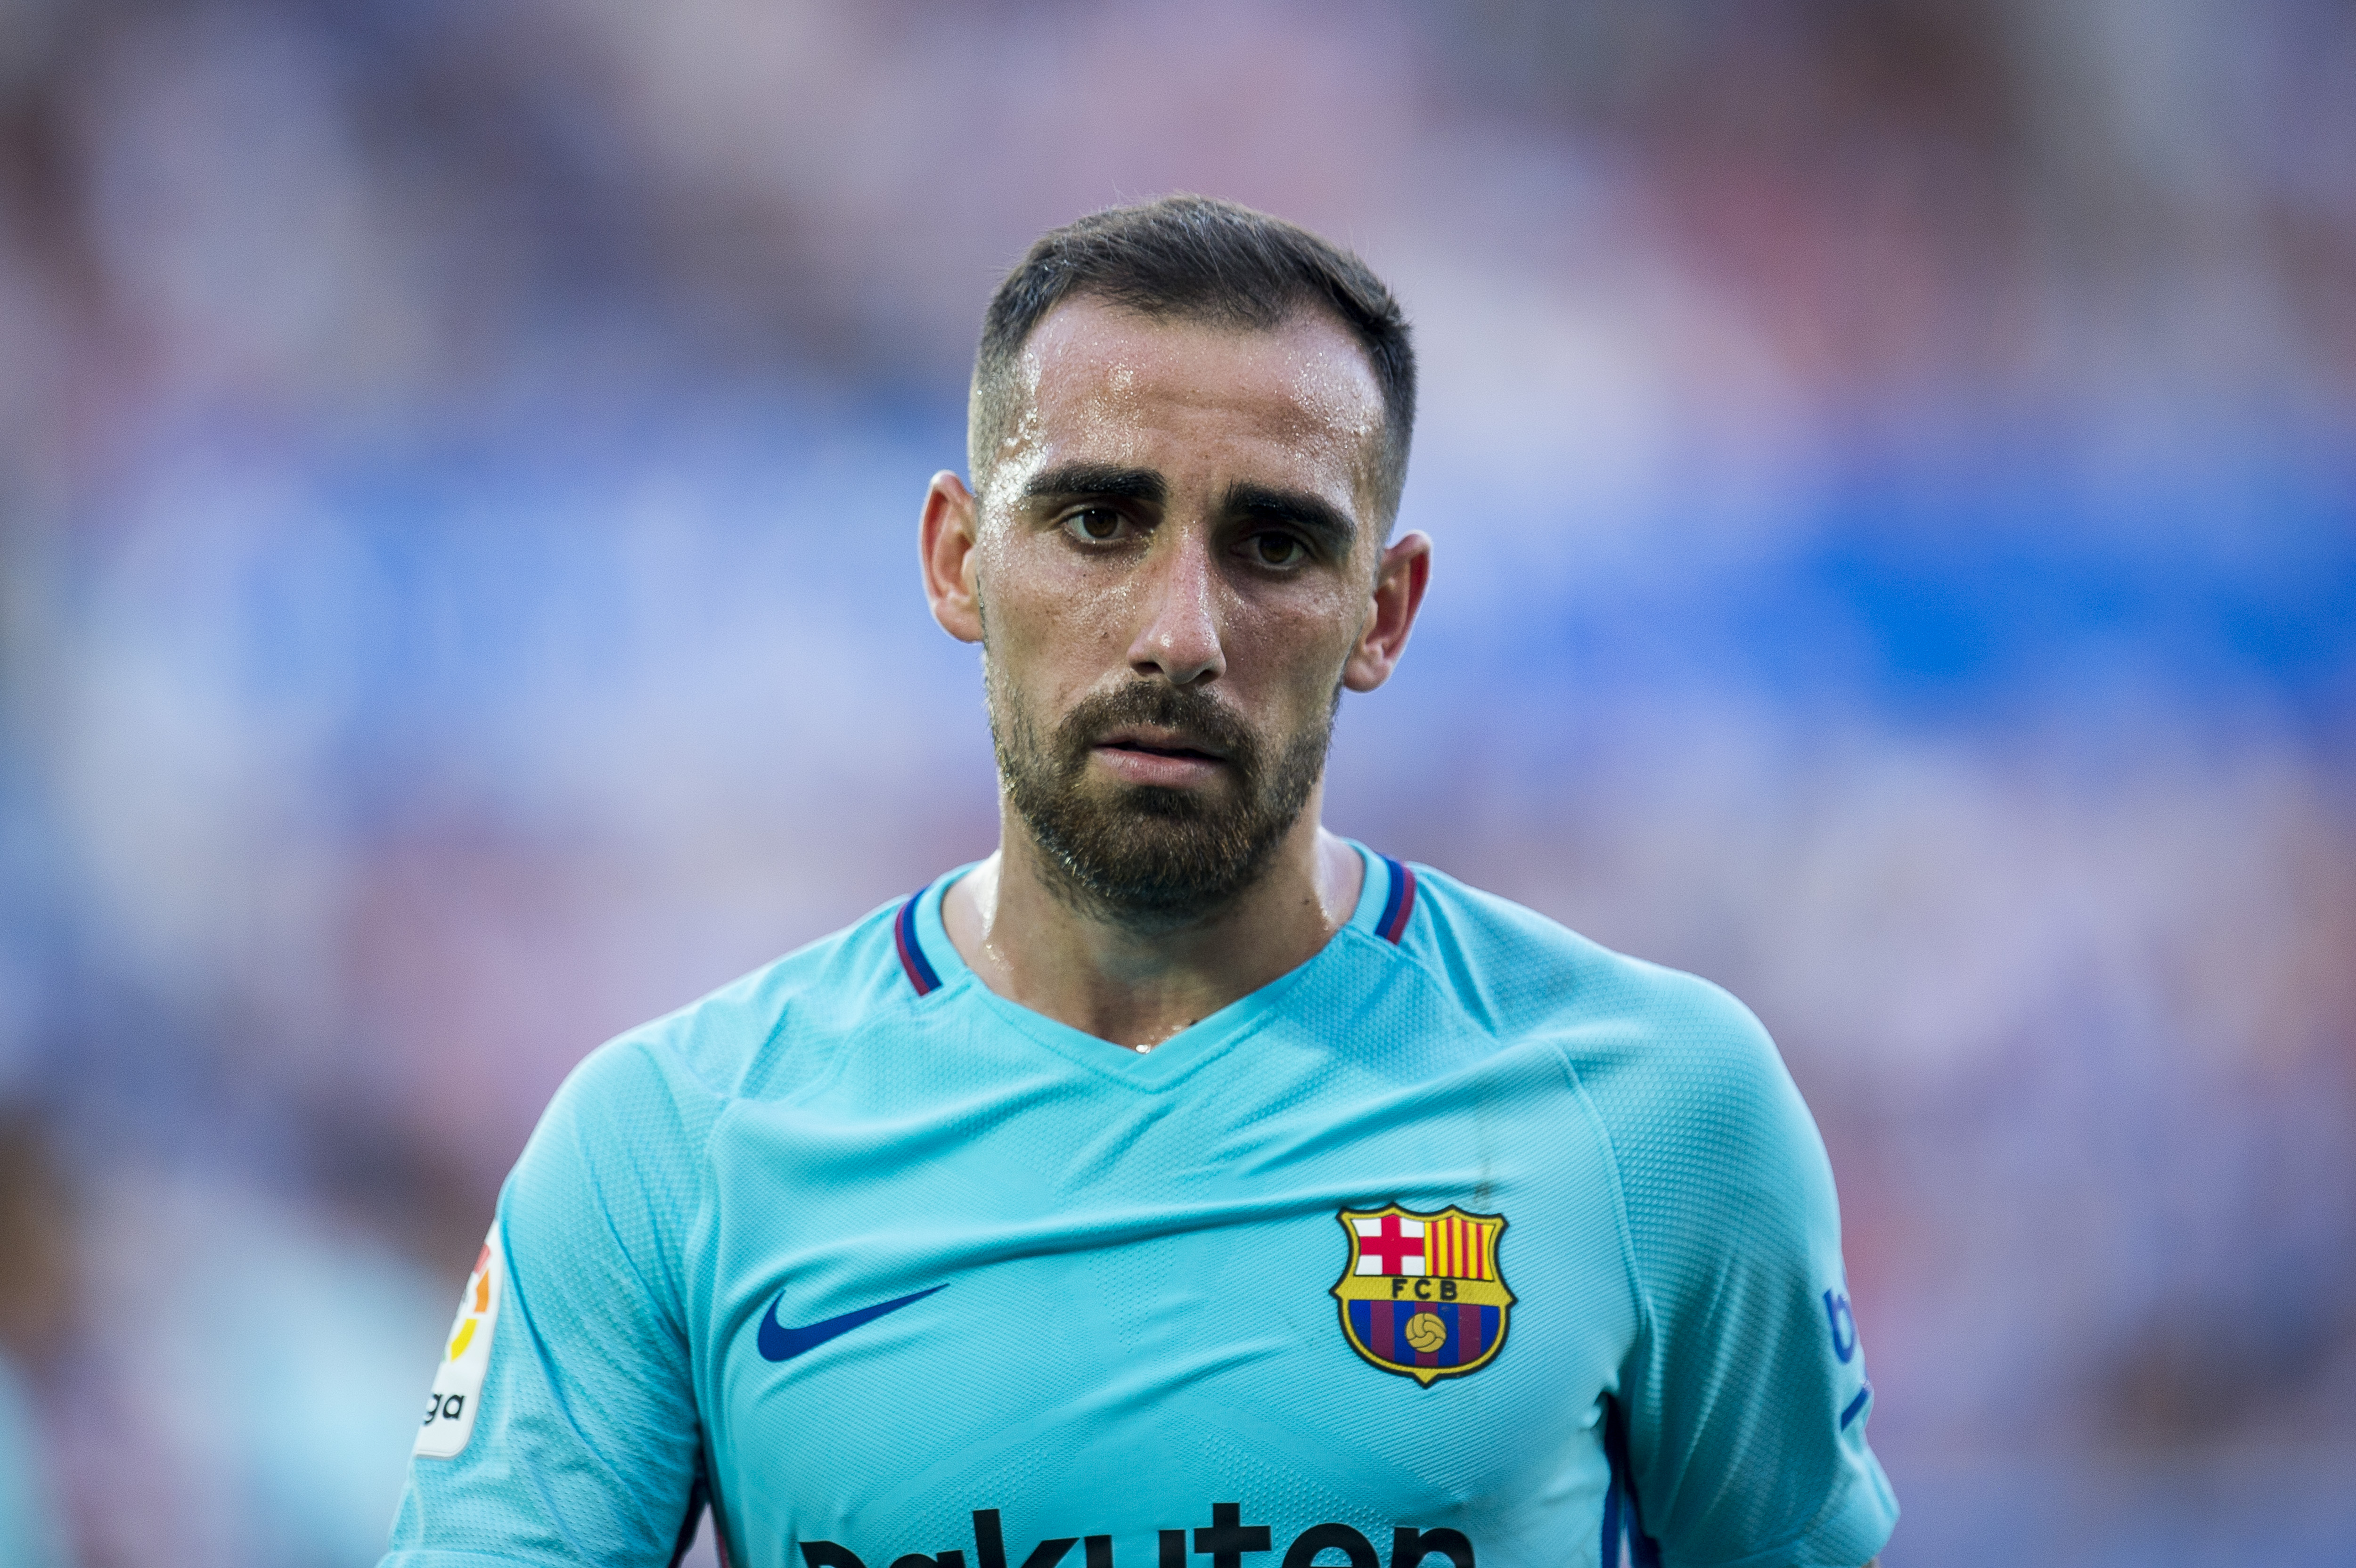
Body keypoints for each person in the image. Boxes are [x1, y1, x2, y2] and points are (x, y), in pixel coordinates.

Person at [382, 196, 1897, 1568]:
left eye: (1276, 544)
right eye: (1100, 522)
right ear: (956, 559)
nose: (1181, 630)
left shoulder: (1659, 1112)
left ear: (1385, 610)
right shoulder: (674, 1147)